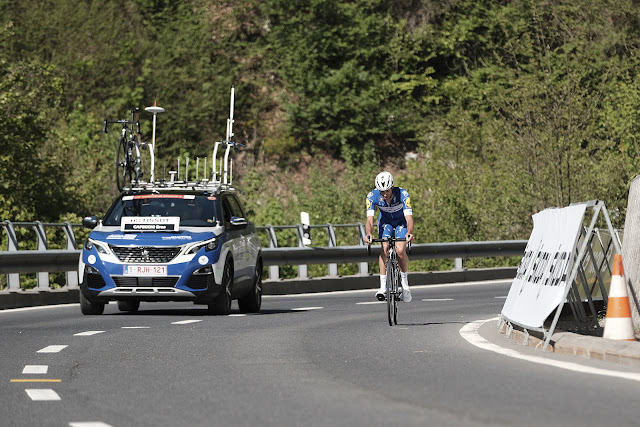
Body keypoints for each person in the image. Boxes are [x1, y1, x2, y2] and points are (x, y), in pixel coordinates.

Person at [364, 171, 415, 302]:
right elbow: (369, 220)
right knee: (385, 247)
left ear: (392, 187)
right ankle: (383, 287)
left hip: (401, 223)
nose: (385, 195)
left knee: (399, 250)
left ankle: (405, 285)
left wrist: (409, 232)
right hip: (385, 223)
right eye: (381, 192)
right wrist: (369, 234)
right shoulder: (372, 196)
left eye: (387, 191)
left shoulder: (403, 194)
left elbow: (409, 218)